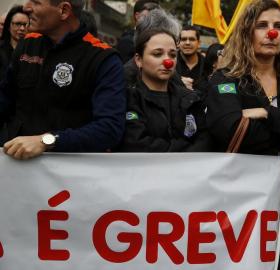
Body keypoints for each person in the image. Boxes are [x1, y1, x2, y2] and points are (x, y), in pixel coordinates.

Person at [206, 0, 280, 269]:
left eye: (277, 26)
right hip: (235, 202)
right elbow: (227, 129)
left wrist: (264, 114)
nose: (271, 33)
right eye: (262, 25)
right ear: (247, 31)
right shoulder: (226, 79)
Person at [0, 0, 126, 160]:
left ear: (64, 11)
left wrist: (47, 141)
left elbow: (110, 128)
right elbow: (4, 100)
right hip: (18, 169)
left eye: (36, 2)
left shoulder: (103, 59)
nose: (26, 7)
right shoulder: (27, 44)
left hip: (70, 176)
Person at [119, 28, 209, 152]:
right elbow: (137, 143)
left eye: (172, 55)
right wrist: (184, 148)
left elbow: (204, 139)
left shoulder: (191, 100)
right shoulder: (129, 100)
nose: (168, 62)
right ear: (139, 60)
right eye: (157, 54)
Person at [0, 5, 29, 79]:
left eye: (25, 25)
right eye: (18, 24)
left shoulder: (34, 50)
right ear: (8, 26)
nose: (22, 28)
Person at [176, 25, 205, 90]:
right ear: (178, 43)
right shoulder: (171, 63)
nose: (187, 43)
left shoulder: (208, 65)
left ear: (199, 43)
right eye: (183, 39)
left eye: (192, 39)